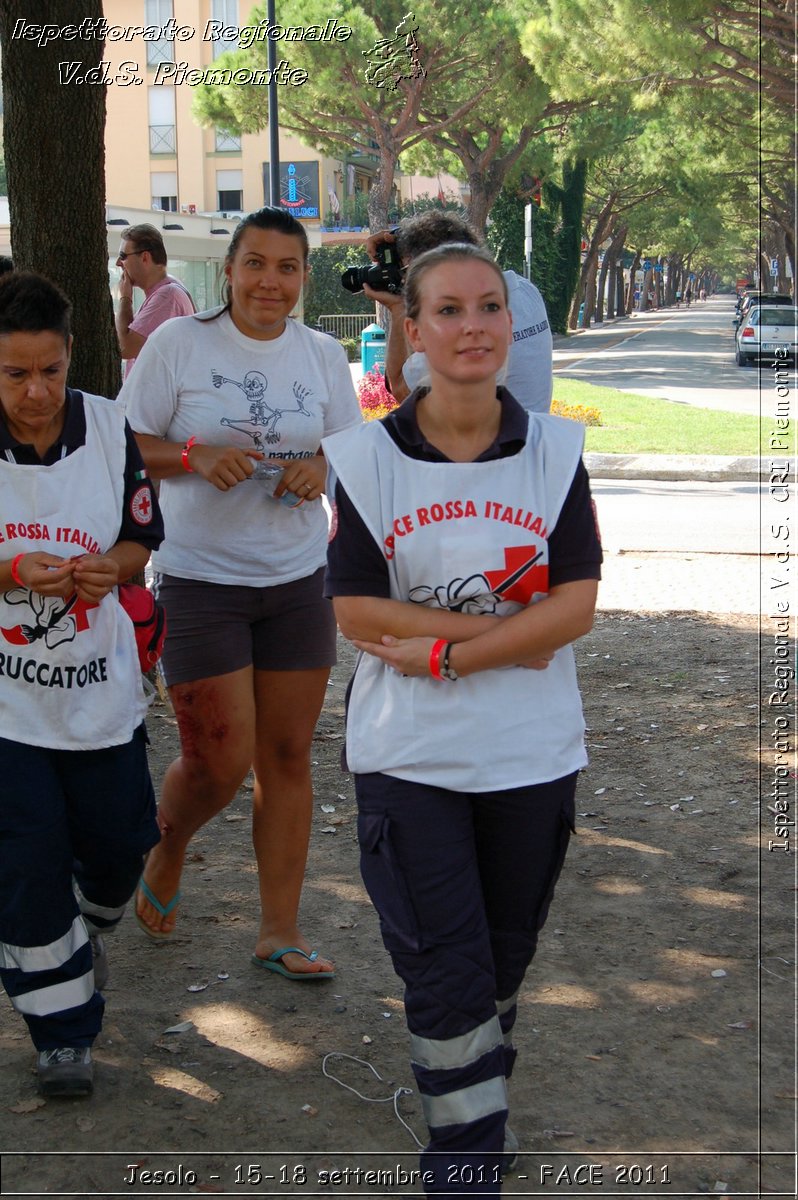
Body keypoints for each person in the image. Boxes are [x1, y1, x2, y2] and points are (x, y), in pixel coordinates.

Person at [324, 243, 602, 1195]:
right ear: (413, 328)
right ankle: (466, 1157)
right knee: (446, 964)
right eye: (447, 310)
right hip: (411, 756)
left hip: (532, 755)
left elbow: (575, 607)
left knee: (501, 960)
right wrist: (501, 636)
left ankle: (477, 1090)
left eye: (488, 307)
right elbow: (358, 613)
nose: (471, 325)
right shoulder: (363, 461)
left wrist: (449, 650)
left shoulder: (556, 451)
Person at [121, 206, 362, 978]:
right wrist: (193, 452)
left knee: (287, 755)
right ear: (228, 270)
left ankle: (279, 932)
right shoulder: (179, 344)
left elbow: (351, 452)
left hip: (297, 581)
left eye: (287, 267)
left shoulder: (322, 354)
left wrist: (322, 471)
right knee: (218, 763)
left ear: (303, 278)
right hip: (200, 580)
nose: (270, 281)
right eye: (255, 263)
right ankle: (168, 843)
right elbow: (125, 448)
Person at [0, 272, 163, 1097]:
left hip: (99, 696)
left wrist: (110, 569)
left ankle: (88, 923)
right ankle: (62, 1035)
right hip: (8, 711)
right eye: (14, 373)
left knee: (118, 848)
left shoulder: (107, 428)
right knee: (23, 865)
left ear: (71, 360)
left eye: (51, 371)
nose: (35, 392)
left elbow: (141, 537)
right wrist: (7, 572)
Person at [364, 211, 553, 414]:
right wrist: (404, 237)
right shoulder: (525, 291)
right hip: (536, 439)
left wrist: (398, 309)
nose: (406, 282)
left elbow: (401, 389)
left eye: (407, 272)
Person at [115, 223, 195, 376]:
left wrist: (125, 298)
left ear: (145, 257)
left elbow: (124, 347)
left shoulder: (167, 296)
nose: (118, 263)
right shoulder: (166, 289)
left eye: (123, 256)